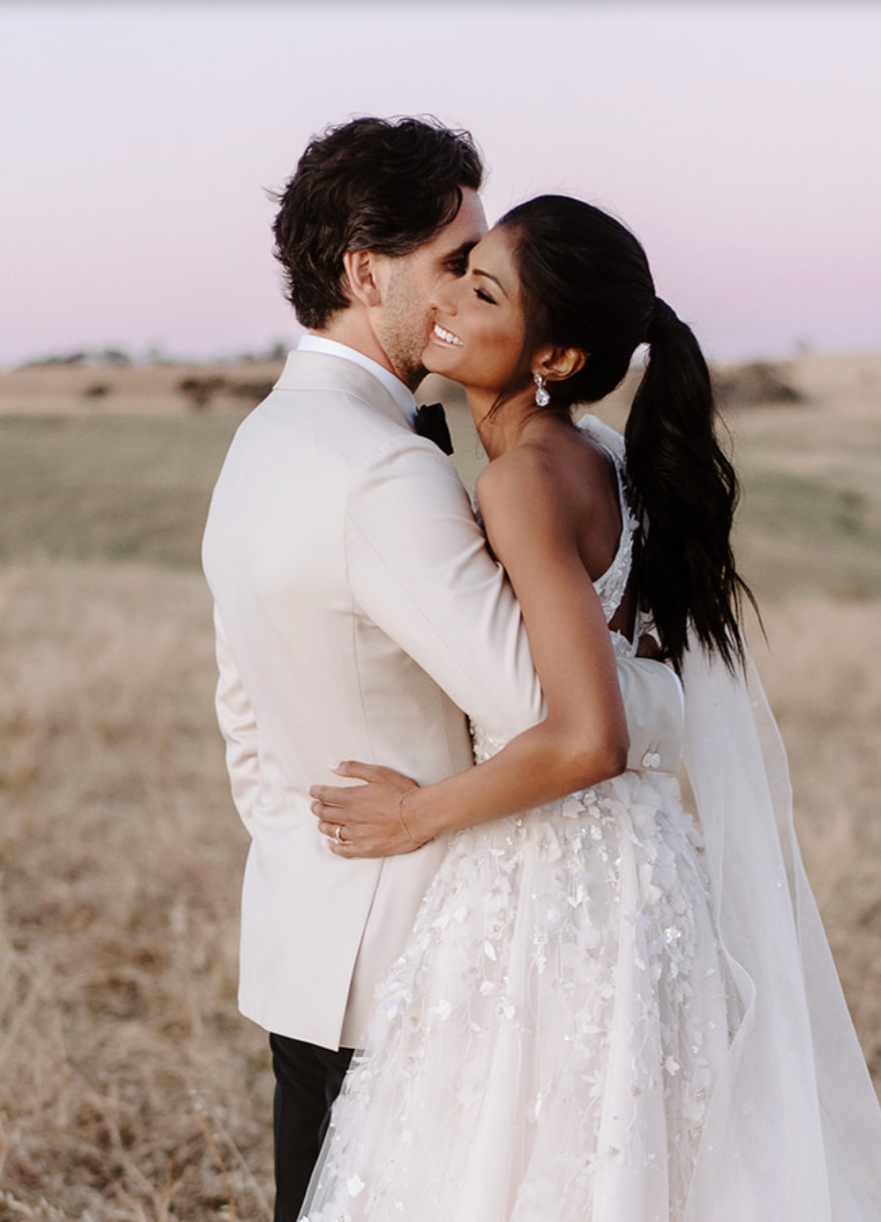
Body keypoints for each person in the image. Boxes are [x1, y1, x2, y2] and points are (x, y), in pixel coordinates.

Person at [304, 196, 881, 1221]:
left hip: (555, 886)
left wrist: (410, 816)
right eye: (459, 273)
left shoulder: (525, 479)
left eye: (482, 290)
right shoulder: (601, 459)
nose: (446, 303)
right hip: (647, 880)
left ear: (555, 357)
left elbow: (591, 735)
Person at [201, 120, 684, 1222]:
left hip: (305, 938)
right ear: (365, 274)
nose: (466, 286)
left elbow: (243, 707)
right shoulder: (384, 472)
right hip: (420, 965)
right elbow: (545, 713)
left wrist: (302, 849)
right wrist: (663, 688)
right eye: (451, 262)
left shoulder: (260, 444)